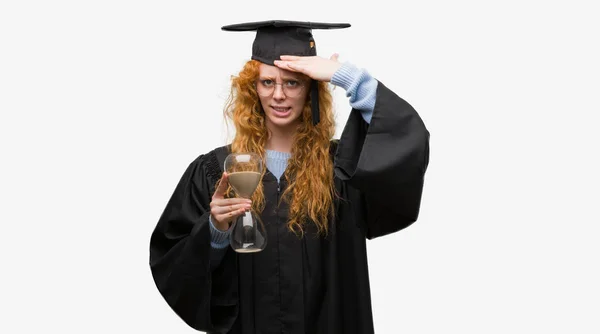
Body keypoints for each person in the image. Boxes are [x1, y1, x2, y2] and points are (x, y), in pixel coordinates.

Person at [149, 20, 430, 334]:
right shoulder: (217, 171)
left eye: (293, 83)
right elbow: (174, 266)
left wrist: (350, 79)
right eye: (267, 82)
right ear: (252, 89)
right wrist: (215, 231)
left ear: (311, 88)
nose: (278, 95)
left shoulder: (344, 170)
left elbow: (406, 153)